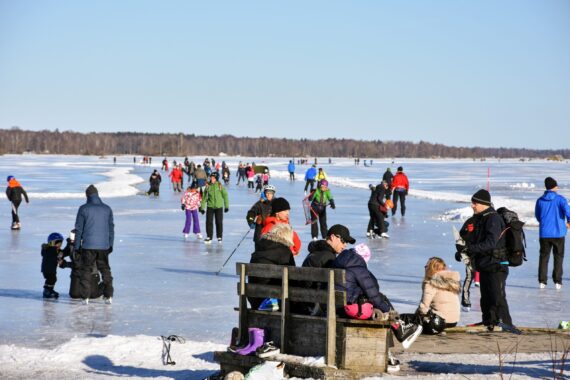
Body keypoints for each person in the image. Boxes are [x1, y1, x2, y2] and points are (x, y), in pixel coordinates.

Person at [330, 224, 423, 352]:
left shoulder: (341, 260)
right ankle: (395, 335)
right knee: (379, 306)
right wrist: (391, 313)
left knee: (378, 301)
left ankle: (399, 328)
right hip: (346, 308)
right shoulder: (357, 265)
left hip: (334, 304)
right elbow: (373, 295)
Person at [457, 189, 513, 330]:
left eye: (474, 203)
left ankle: (506, 325)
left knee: (498, 298)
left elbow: (490, 243)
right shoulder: (480, 218)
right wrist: (463, 252)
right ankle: (490, 323)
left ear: (483, 204)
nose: (472, 205)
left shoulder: (493, 219)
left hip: (497, 265)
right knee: (486, 299)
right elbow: (472, 240)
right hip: (485, 265)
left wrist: (471, 249)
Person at [74, 185, 114, 305]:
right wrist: (110, 244)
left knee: (86, 270)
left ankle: (85, 297)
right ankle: (109, 295)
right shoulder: (107, 208)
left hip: (88, 246)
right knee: (105, 270)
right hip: (103, 246)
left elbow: (79, 229)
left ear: (87, 196)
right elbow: (111, 229)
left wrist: (77, 247)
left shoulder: (83, 208)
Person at [401, 257, 460, 334]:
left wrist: (415, 317)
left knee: (402, 318)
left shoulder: (430, 283)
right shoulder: (451, 282)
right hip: (453, 321)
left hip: (438, 322)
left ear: (431, 268)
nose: (424, 268)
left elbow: (423, 308)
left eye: (426, 266)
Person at [247, 223, 297, 310]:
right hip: (274, 301)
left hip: (255, 300)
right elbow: (292, 278)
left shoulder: (258, 250)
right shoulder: (284, 251)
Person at [535, 177, 570, 290]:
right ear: (554, 187)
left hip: (544, 233)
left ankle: (542, 281)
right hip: (558, 233)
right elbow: (568, 212)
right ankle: (558, 281)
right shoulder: (560, 199)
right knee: (558, 257)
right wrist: (569, 223)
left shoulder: (540, 200)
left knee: (544, 257)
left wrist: (544, 223)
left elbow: (538, 216)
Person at [59, 229, 103, 299]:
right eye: (71, 240)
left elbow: (80, 264)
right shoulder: (71, 243)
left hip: (91, 272)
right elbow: (66, 251)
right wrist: (59, 254)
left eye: (73, 240)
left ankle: (103, 286)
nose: (71, 242)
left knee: (93, 295)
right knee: (74, 295)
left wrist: (65, 264)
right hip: (76, 273)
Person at [200, 172, 229, 244]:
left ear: (216, 178)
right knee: (209, 222)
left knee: (219, 222)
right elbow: (204, 197)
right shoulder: (207, 186)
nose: (211, 179)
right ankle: (209, 237)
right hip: (210, 206)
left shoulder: (220, 186)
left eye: (213, 178)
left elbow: (225, 196)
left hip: (219, 207)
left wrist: (226, 206)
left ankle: (219, 236)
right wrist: (202, 208)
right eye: (211, 178)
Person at [41, 232, 64, 299]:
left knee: (52, 279)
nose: (59, 245)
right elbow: (53, 256)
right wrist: (59, 256)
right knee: (52, 279)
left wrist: (60, 255)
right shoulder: (50, 250)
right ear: (52, 243)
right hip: (48, 269)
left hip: (50, 269)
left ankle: (49, 290)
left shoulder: (54, 250)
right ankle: (47, 291)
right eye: (58, 243)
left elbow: (58, 254)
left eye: (60, 243)